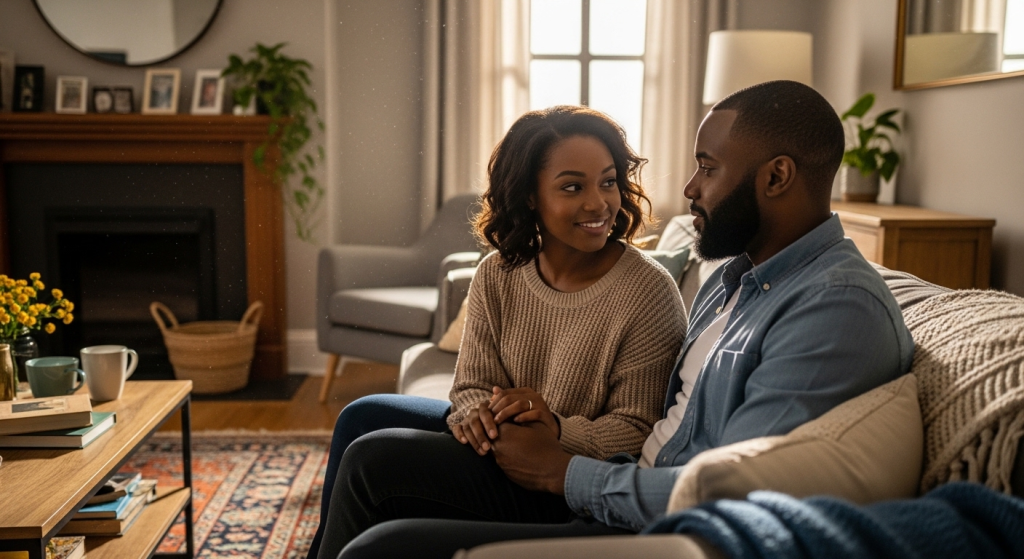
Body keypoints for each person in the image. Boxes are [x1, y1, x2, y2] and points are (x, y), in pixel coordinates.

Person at [315, 80, 917, 559]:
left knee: (380, 535)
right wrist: (496, 422)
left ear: (777, 176)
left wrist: (562, 467)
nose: (688, 187)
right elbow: (479, 384)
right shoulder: (737, 278)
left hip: (631, 511)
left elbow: (727, 494)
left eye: (707, 167)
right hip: (608, 477)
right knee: (367, 426)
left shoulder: (833, 308)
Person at [308, 106, 688, 558]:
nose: (598, 203)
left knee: (370, 462)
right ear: (530, 196)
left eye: (608, 182)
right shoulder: (498, 273)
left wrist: (553, 429)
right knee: (362, 416)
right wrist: (479, 420)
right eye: (573, 187)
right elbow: (470, 384)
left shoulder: (649, 291)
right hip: (500, 443)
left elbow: (637, 428)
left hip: (564, 474)